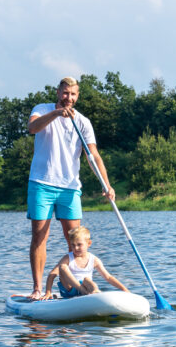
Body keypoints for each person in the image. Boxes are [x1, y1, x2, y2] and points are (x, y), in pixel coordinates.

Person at [26, 76, 115, 300]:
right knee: (39, 237)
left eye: (73, 94)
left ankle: (73, 288)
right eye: (65, 93)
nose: (69, 98)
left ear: (77, 96)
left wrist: (106, 184)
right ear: (58, 92)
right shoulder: (42, 109)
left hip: (70, 187)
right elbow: (32, 128)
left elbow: (93, 156)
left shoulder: (83, 122)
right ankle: (38, 289)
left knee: (76, 241)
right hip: (42, 183)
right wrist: (56, 114)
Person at [41, 226, 128, 300]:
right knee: (62, 267)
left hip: (86, 287)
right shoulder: (68, 258)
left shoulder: (94, 260)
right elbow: (52, 274)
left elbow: (108, 277)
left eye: (79, 244)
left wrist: (124, 289)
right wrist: (48, 292)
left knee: (87, 279)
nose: (76, 248)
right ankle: (82, 290)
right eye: (73, 245)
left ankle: (95, 293)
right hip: (70, 289)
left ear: (89, 243)